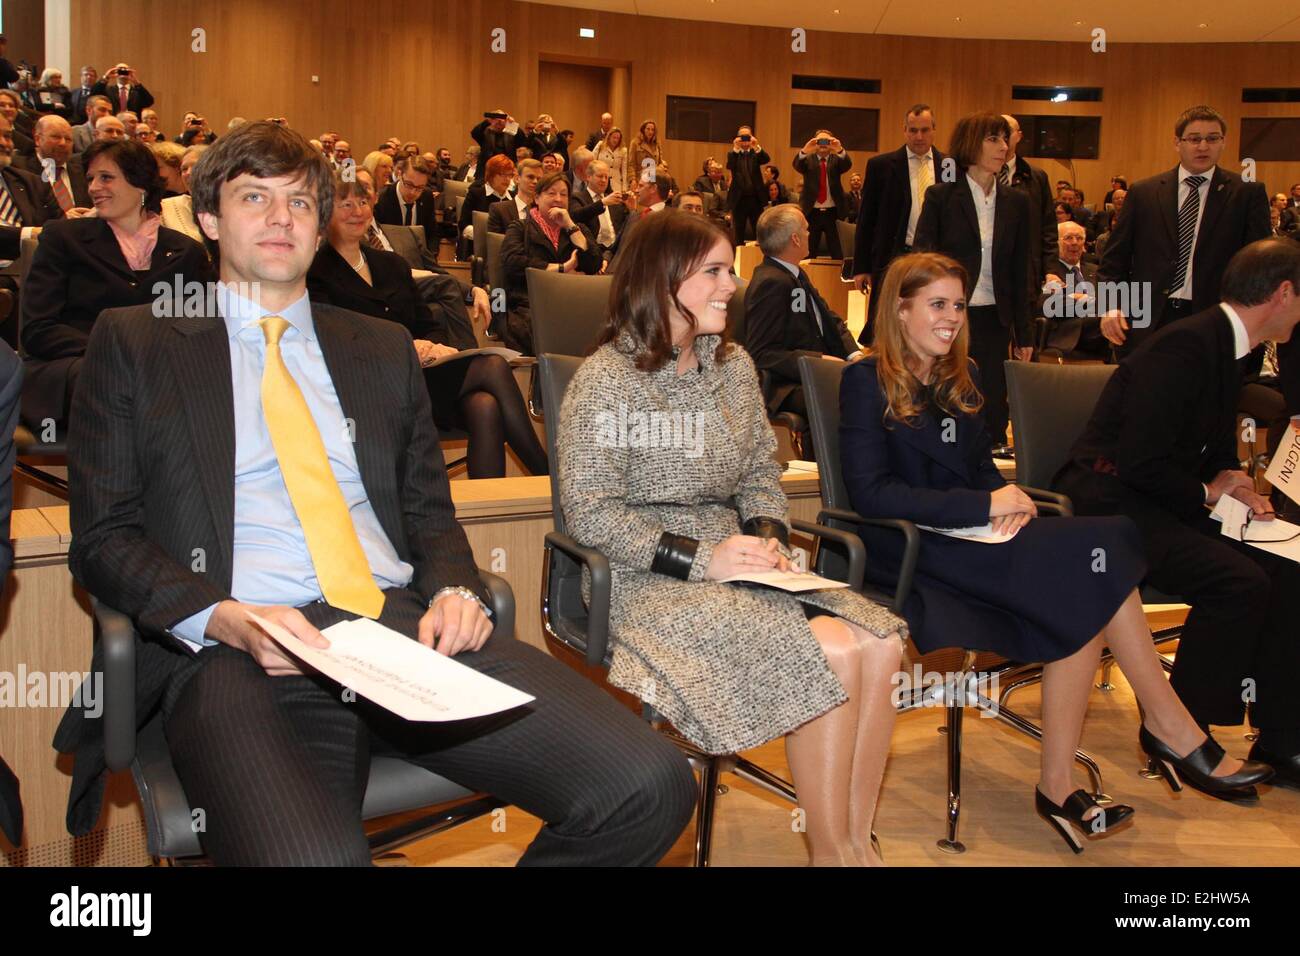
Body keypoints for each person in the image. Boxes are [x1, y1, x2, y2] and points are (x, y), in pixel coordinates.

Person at [53, 120, 695, 864]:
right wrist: (222, 618)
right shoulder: (135, 340)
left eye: (299, 202)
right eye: (253, 197)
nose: (279, 218)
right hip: (238, 650)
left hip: (396, 629)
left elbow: (428, 511)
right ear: (206, 217)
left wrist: (455, 587)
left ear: (321, 225)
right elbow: (102, 538)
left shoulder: (378, 348)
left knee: (649, 783)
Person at [842, 252, 1272, 848]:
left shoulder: (958, 380)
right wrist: (981, 506)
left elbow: (976, 474)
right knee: (1096, 562)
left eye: (959, 305)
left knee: (1100, 558)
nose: (952, 318)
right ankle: (1158, 732)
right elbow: (871, 493)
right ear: (899, 308)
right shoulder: (865, 379)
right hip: (912, 548)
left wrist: (1004, 494)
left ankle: (1084, 772)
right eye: (937, 305)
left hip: (975, 538)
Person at [560, 210, 906, 866]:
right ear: (665, 279)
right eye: (715, 271)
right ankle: (831, 854)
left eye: (731, 269)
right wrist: (700, 558)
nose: (732, 283)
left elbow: (756, 477)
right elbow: (592, 515)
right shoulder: (606, 379)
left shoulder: (734, 366)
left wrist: (769, 537)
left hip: (738, 557)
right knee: (832, 649)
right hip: (645, 574)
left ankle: (854, 844)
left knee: (881, 643)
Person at [1056, 238, 1300, 794]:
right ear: (1283, 294)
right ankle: (1179, 730)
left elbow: (1205, 441)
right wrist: (1210, 494)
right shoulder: (1185, 348)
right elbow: (1138, 462)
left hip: (1160, 497)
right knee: (1238, 580)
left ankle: (1282, 733)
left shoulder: (1222, 344)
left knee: (1288, 566)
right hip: (1109, 504)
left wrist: (1233, 478)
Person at [308, 173, 547, 478]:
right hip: (367, 385)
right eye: (345, 204)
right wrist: (407, 347)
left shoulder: (390, 264)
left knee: (484, 405)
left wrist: (434, 345)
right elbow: (333, 339)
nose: (357, 211)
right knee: (490, 367)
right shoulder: (315, 270)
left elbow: (426, 321)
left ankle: (489, 512)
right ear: (326, 212)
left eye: (363, 202)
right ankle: (547, 475)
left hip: (419, 377)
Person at [19, 138, 211, 431]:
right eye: (91, 179)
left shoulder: (187, 252)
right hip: (76, 367)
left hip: (159, 374)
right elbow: (38, 328)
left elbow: (201, 329)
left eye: (106, 177)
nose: (93, 188)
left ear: (141, 185)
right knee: (115, 379)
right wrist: (116, 352)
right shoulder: (63, 238)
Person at [1098, 106, 1270, 357]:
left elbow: (1258, 266)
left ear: (1223, 143)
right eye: (1194, 138)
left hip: (1215, 319)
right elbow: (1114, 259)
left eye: (1212, 138)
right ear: (1177, 143)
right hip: (1147, 318)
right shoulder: (1144, 192)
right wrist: (1110, 306)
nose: (1203, 146)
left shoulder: (1246, 193)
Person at [912, 111, 1031, 452]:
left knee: (991, 399)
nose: (1003, 146)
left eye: (1005, 139)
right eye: (993, 139)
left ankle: (989, 462)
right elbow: (923, 258)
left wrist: (1024, 332)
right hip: (950, 314)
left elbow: (1022, 270)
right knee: (947, 392)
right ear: (971, 143)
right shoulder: (942, 196)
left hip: (996, 314)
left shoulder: (1017, 202)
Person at [742, 204, 859, 425]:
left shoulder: (793, 273)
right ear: (795, 239)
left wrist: (854, 355)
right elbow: (762, 353)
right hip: (787, 385)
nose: (810, 233)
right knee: (859, 401)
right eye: (806, 229)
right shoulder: (771, 283)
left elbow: (828, 318)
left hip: (817, 373)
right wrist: (816, 361)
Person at [851, 104, 945, 343]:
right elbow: (867, 220)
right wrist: (862, 266)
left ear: (934, 130)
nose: (919, 137)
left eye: (924, 130)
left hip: (935, 259)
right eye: (913, 130)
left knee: (927, 321)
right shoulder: (881, 166)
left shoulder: (949, 166)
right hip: (893, 256)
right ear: (904, 131)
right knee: (885, 324)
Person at [499, 171, 599, 353]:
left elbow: (593, 263)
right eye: (551, 193)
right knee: (549, 330)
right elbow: (513, 263)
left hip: (572, 300)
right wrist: (561, 269)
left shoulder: (578, 228)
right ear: (537, 197)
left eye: (563, 194)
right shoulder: (520, 228)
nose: (558, 199)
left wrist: (570, 225)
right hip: (529, 303)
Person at [1037, 221, 1108, 358]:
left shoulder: (1097, 270)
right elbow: (1047, 304)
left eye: (1079, 238)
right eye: (1068, 238)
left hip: (1099, 328)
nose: (1075, 242)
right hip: (1068, 331)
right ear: (1055, 244)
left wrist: (1082, 298)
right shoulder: (1047, 271)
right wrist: (1086, 301)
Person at [793, 130, 852, 259]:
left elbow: (847, 165)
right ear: (815, 142)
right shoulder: (808, 159)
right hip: (811, 212)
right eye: (820, 141)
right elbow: (797, 165)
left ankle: (837, 278)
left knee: (837, 251)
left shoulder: (836, 159)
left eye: (827, 141)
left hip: (833, 212)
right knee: (809, 251)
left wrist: (839, 149)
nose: (823, 144)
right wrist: (805, 150)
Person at [18, 115, 91, 212]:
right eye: (56, 137)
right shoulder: (20, 169)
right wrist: (62, 219)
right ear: (37, 139)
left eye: (68, 139)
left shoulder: (83, 171)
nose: (63, 143)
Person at [458, 153, 515, 255]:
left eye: (510, 175)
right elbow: (463, 225)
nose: (507, 179)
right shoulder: (476, 194)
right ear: (491, 174)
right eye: (502, 174)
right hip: (479, 249)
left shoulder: (513, 198)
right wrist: (484, 237)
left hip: (509, 251)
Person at [726, 125, 768, 244]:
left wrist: (756, 145)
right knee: (738, 231)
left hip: (755, 198)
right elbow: (730, 166)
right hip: (739, 199)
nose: (744, 139)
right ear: (737, 138)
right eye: (742, 137)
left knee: (758, 230)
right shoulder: (733, 154)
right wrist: (735, 147)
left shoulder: (755, 153)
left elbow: (766, 159)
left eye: (747, 136)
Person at [159, 144, 208, 245]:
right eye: (184, 169)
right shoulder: (167, 207)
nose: (188, 173)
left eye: (195, 166)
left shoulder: (231, 207)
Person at [594, 126, 627, 194]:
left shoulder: (623, 150)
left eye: (618, 138)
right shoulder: (601, 145)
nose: (615, 140)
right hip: (600, 179)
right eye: (614, 137)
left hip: (616, 183)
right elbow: (592, 162)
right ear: (609, 137)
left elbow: (624, 170)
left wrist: (624, 187)